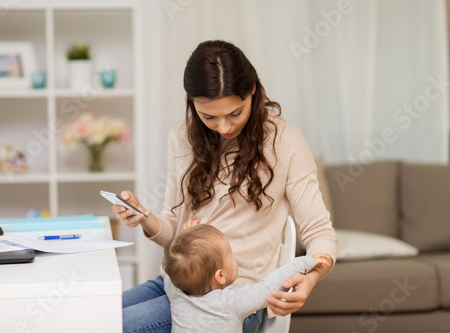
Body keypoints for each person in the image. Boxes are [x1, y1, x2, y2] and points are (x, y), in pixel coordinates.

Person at [113, 40, 338, 333]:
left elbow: (320, 233)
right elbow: (175, 233)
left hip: (234, 298)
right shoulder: (182, 137)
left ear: (253, 91)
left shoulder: (285, 141)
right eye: (209, 117)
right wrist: (146, 218)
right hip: (177, 283)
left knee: (114, 326)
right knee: (88, 314)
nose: (224, 127)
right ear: (192, 104)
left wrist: (310, 279)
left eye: (235, 113)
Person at [163, 224, 330, 332]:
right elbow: (269, 285)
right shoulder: (232, 302)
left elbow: (171, 269)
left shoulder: (175, 292)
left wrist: (184, 238)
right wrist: (307, 262)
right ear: (220, 276)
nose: (234, 258)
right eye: (231, 256)